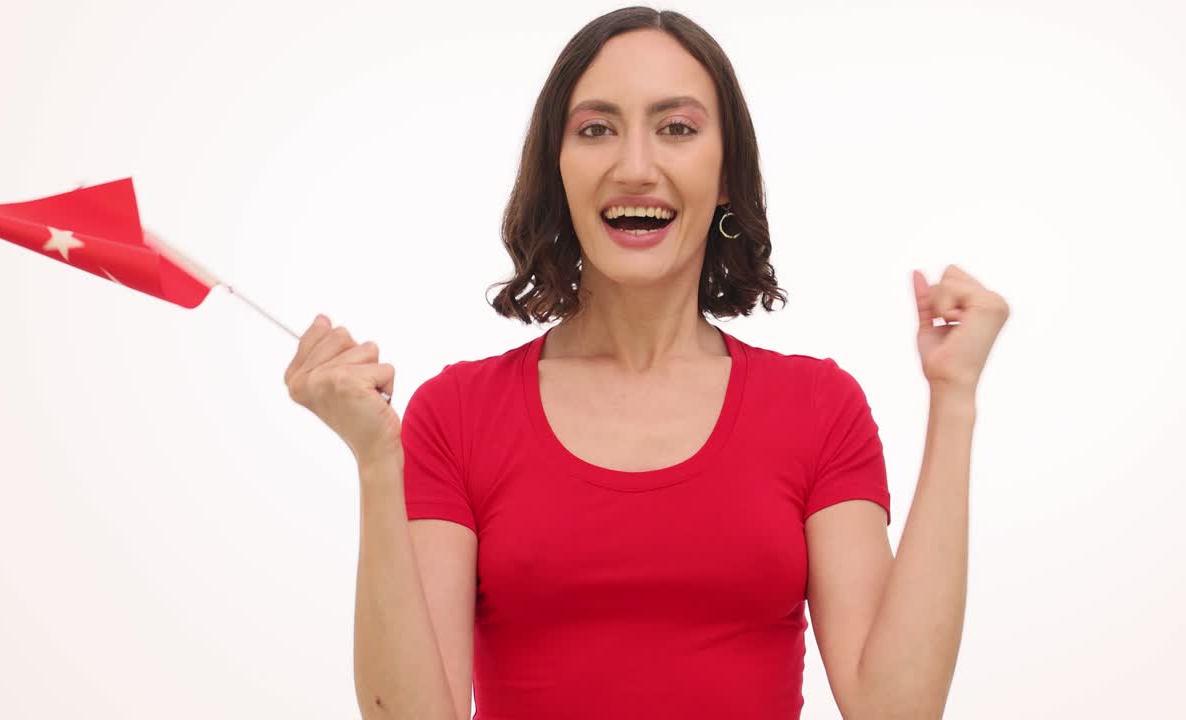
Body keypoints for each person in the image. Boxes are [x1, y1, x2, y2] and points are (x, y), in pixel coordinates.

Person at [284, 6, 1009, 720]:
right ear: (557, 170)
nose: (636, 167)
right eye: (596, 130)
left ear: (727, 174)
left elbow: (897, 709)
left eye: (677, 129)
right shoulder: (458, 414)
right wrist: (378, 464)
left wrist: (956, 397)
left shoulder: (818, 406)